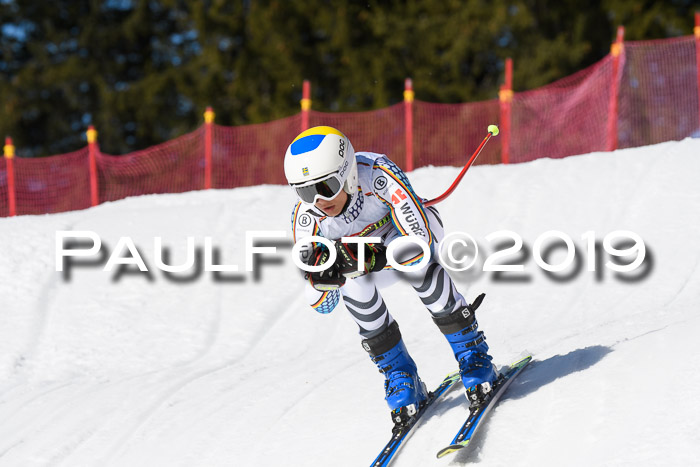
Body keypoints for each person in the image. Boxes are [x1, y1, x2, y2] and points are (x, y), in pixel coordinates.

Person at [284, 126, 497, 423]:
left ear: (348, 174)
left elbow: (421, 239)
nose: (319, 200)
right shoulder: (306, 219)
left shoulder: (379, 175)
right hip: (364, 265)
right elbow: (321, 304)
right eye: (305, 191)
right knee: (351, 287)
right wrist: (324, 282)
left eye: (327, 186)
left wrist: (369, 257)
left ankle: (472, 354)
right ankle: (401, 376)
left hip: (403, 238)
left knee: (414, 262)